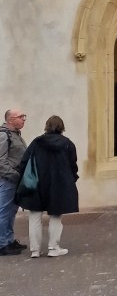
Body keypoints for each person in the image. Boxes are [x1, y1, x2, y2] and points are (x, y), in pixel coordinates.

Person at [16, 115, 78, 258]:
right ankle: (53, 247)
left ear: (46, 126)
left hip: (36, 183)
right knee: (55, 216)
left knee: (34, 217)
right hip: (59, 184)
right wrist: (72, 179)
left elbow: (24, 162)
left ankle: (35, 250)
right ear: (62, 127)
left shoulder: (37, 142)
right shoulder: (68, 144)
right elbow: (73, 165)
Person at [0, 109, 28, 256]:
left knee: (11, 212)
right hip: (7, 180)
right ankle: (2, 244)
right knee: (4, 211)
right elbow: (1, 161)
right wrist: (15, 175)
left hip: (15, 179)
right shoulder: (4, 135)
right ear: (10, 120)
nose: (24, 119)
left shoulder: (16, 134)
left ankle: (9, 241)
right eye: (20, 117)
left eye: (24, 116)